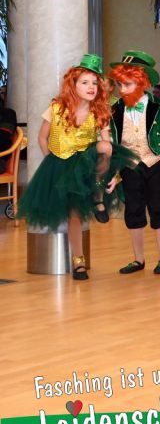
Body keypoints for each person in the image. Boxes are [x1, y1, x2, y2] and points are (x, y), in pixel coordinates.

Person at [18, 54, 135, 280]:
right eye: (85, 82)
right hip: (61, 163)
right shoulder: (56, 108)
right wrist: (52, 161)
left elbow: (107, 144)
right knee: (74, 216)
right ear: (73, 85)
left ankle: (98, 196)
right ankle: (78, 262)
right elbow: (42, 137)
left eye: (94, 83)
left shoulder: (99, 112)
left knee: (106, 147)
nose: (91, 87)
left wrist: (112, 172)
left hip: (87, 163)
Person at [107, 51, 160, 275]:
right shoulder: (115, 109)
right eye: (120, 85)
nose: (122, 90)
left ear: (142, 82)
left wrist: (159, 155)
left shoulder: (157, 105)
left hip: (153, 162)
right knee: (133, 210)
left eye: (128, 84)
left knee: (158, 209)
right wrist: (114, 171)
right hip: (129, 165)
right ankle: (138, 259)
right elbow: (113, 141)